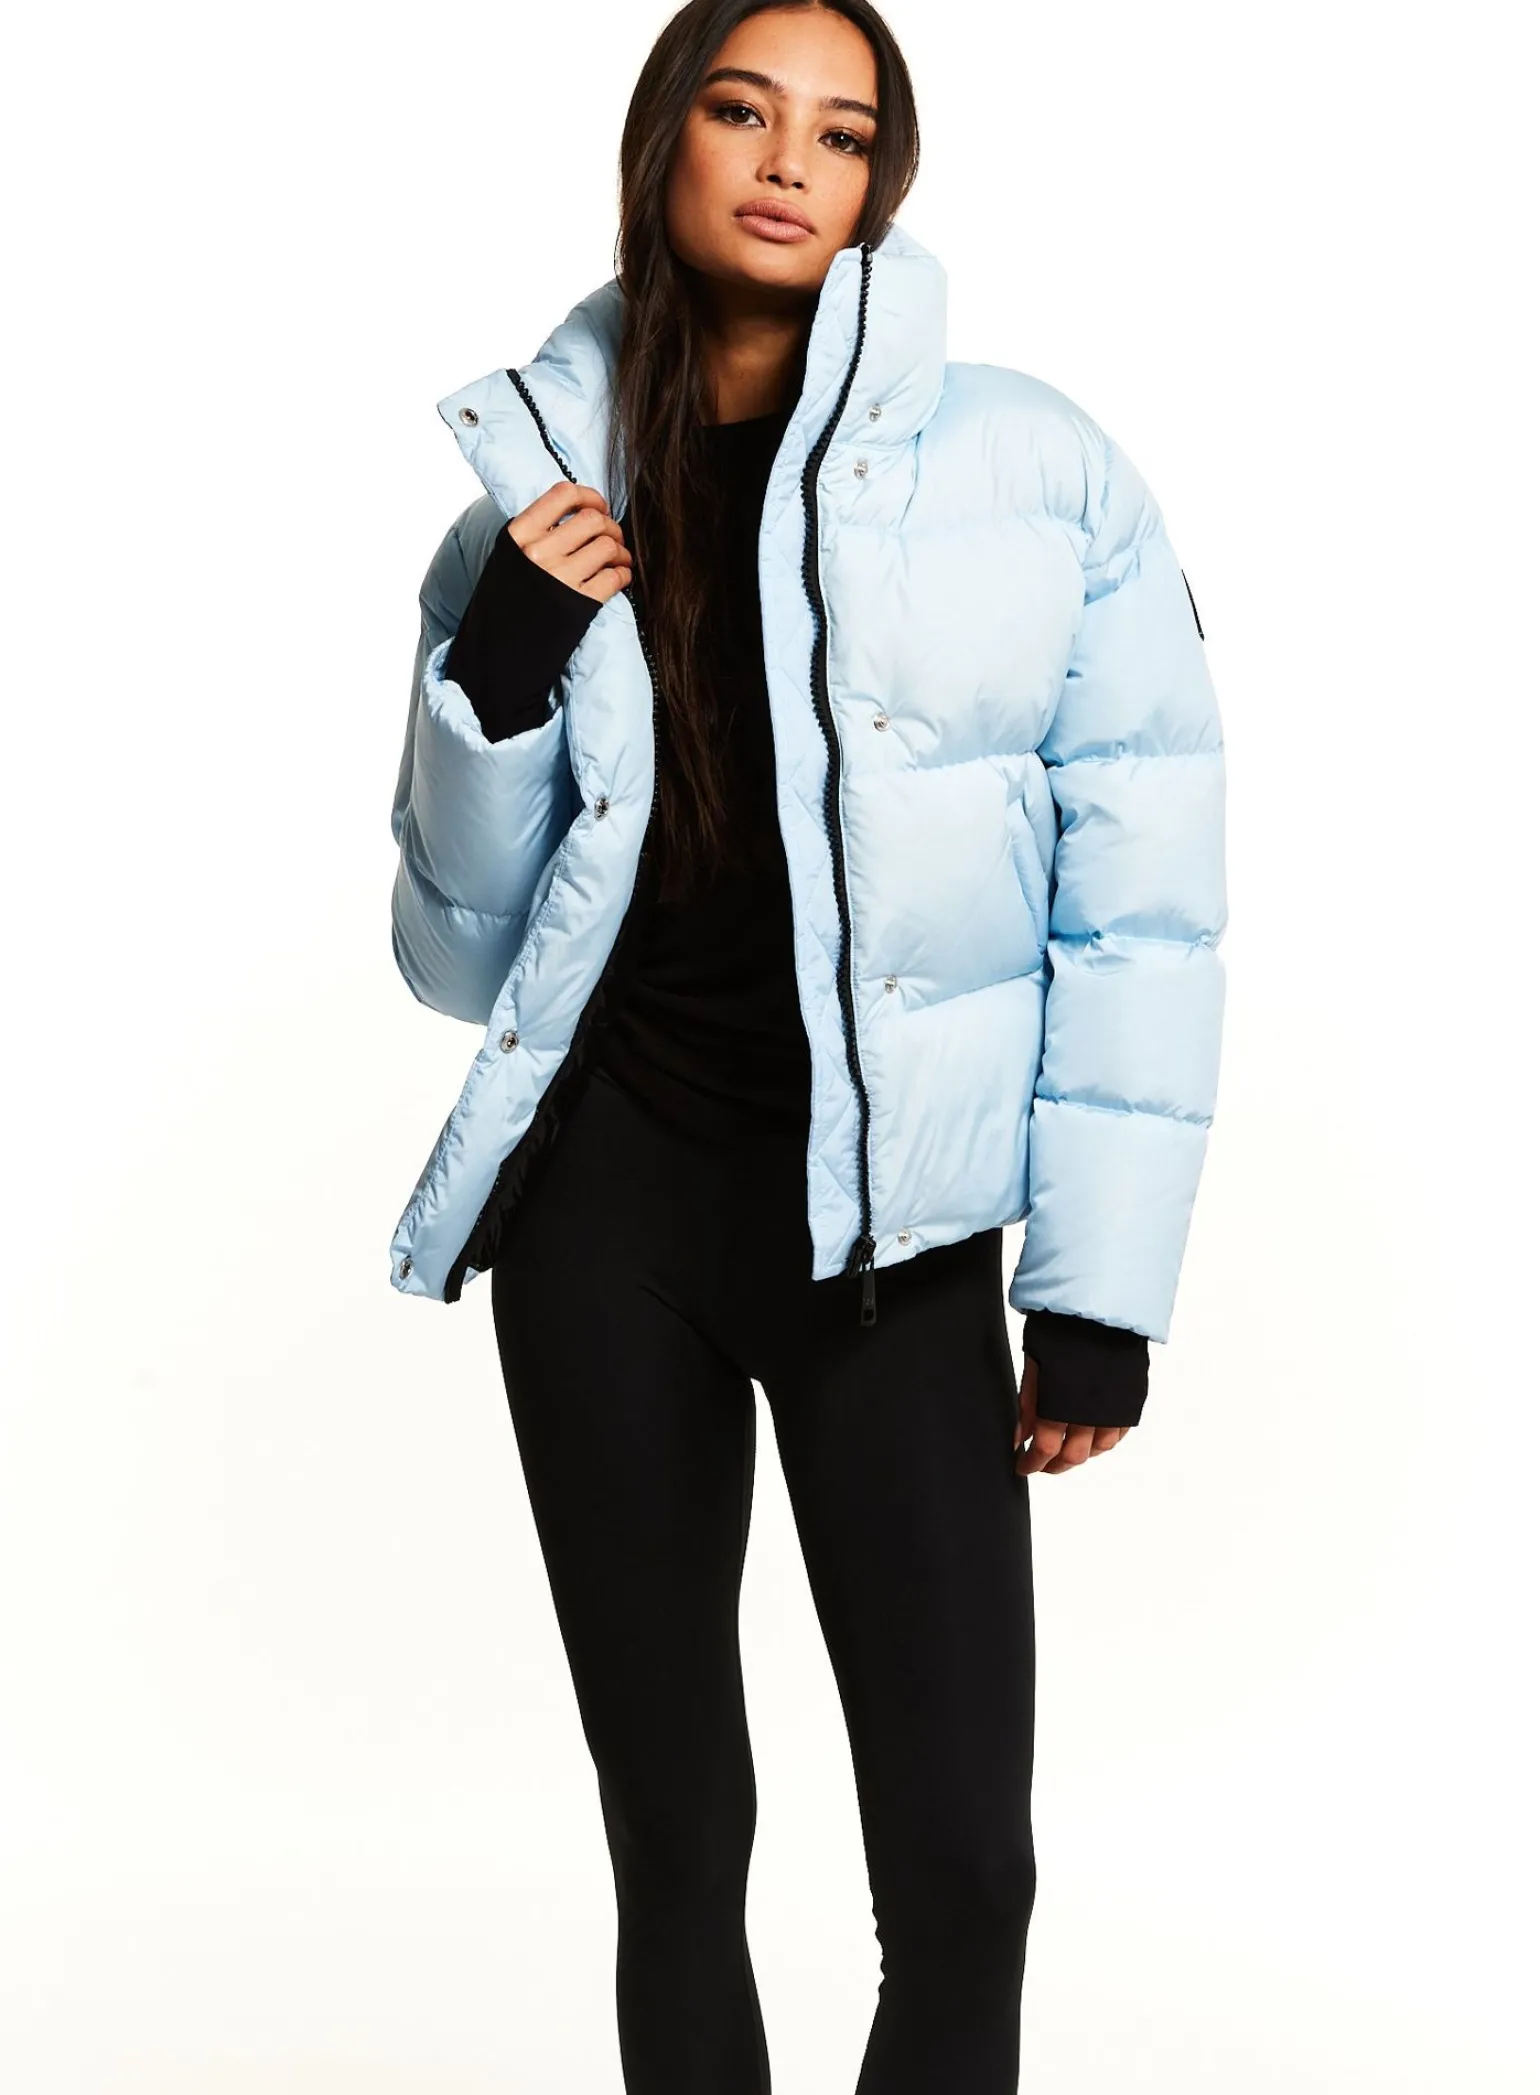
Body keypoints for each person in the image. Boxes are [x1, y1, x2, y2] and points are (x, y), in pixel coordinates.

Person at [386, 2, 1227, 2087]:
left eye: (841, 134)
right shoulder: (533, 505)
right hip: (609, 1221)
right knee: (676, 1845)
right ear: (661, 139)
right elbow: (454, 951)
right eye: (742, 110)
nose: (786, 162)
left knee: (962, 1874)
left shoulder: (1042, 474)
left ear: (880, 182)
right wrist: (498, 673)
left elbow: (1142, 906)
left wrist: (1098, 1290)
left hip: (895, 1244)